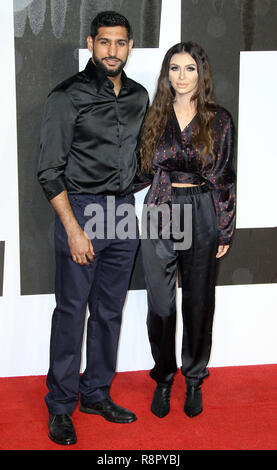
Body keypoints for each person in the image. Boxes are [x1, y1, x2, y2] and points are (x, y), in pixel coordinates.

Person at [37, 11, 149, 445]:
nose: (112, 51)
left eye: (120, 43)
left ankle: (96, 393)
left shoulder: (139, 96)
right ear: (90, 43)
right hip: (80, 211)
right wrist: (73, 227)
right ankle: (60, 407)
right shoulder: (66, 96)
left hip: (122, 213)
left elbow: (139, 159)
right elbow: (49, 170)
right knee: (71, 313)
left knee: (109, 312)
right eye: (104, 42)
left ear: (130, 46)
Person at [139, 42, 236, 418]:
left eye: (190, 68)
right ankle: (164, 378)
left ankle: (193, 379)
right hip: (160, 209)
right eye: (175, 68)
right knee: (160, 305)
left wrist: (224, 228)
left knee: (198, 301)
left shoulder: (220, 119)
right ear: (167, 74)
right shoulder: (153, 116)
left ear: (202, 73)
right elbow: (140, 170)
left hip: (202, 210)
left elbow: (225, 177)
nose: (182, 77)